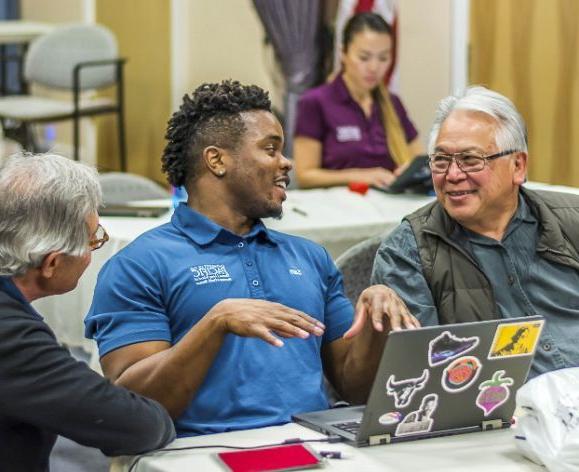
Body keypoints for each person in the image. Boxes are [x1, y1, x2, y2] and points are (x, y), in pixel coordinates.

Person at [85, 80, 418, 437]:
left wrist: (373, 324)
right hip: (201, 454)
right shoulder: (139, 264)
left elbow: (355, 389)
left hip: (314, 447)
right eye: (270, 149)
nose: (286, 162)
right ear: (216, 160)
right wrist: (216, 323)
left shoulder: (309, 257)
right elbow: (133, 410)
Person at [370, 85, 579, 378]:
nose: (453, 175)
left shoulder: (571, 221)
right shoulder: (408, 252)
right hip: (501, 411)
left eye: (470, 159)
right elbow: (425, 372)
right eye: (441, 160)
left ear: (518, 165)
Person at [0, 153, 175, 471]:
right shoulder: (12, 339)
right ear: (52, 263)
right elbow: (137, 427)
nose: (93, 251)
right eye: (93, 239)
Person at [293, 12, 424, 189]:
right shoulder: (315, 102)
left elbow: (420, 160)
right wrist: (361, 176)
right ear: (344, 53)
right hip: (337, 208)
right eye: (364, 57)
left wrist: (408, 171)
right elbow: (305, 176)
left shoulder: (392, 103)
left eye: (383, 58)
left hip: (388, 205)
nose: (374, 67)